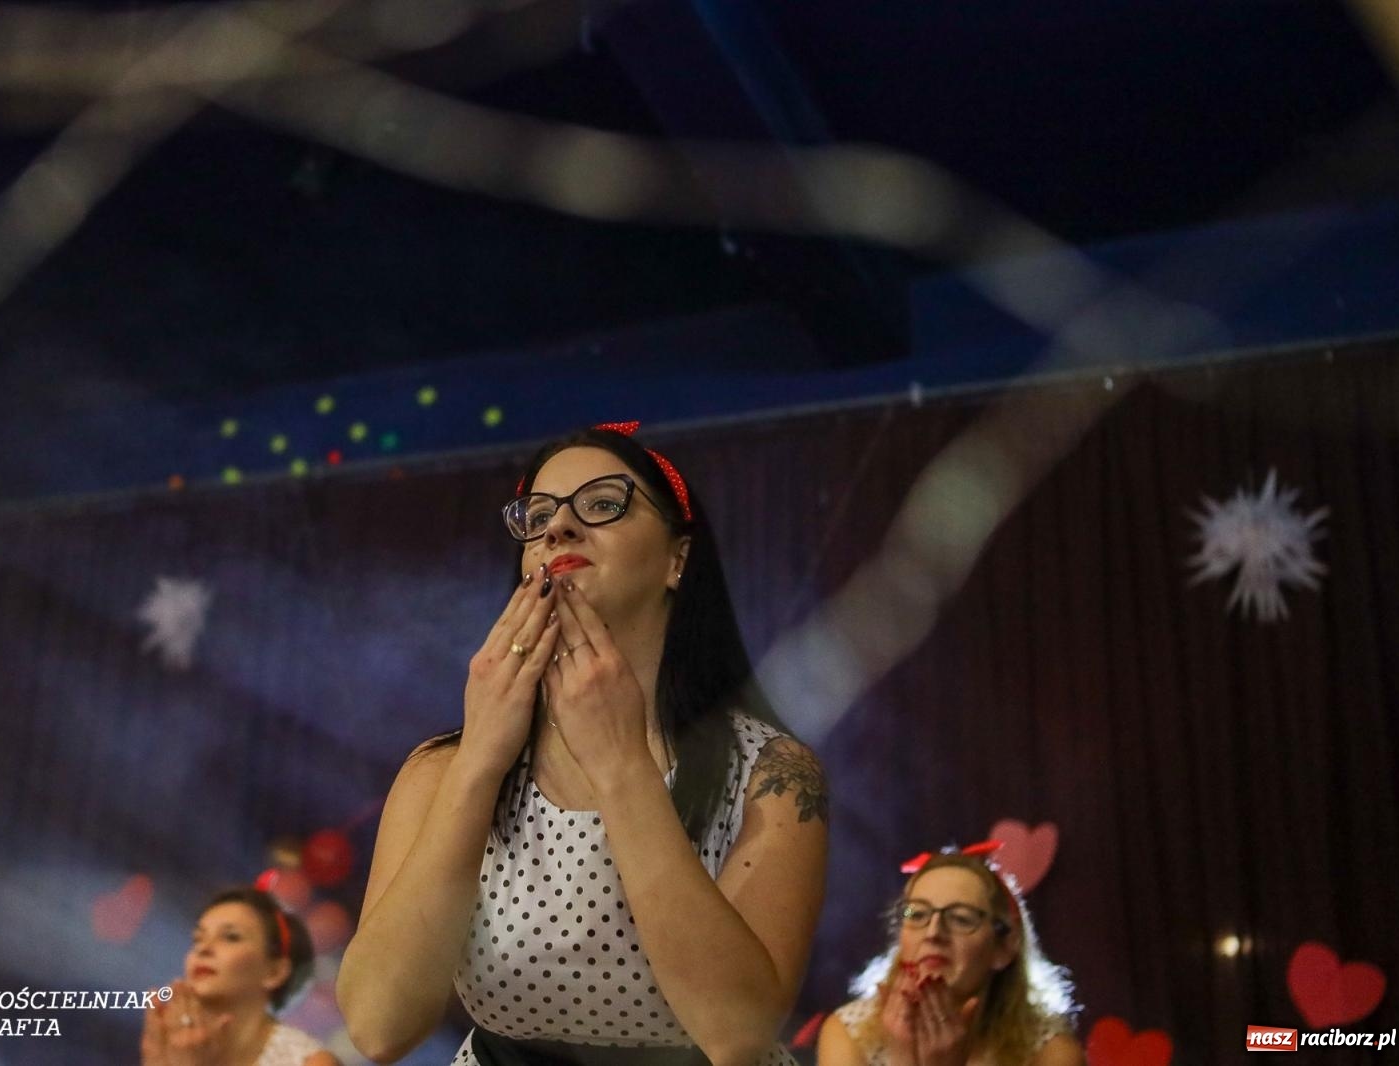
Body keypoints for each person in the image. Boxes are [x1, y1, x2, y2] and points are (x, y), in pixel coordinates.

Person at [338, 421, 829, 1066]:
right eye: (539, 516)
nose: (559, 529)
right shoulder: (441, 770)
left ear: (678, 558)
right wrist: (480, 759)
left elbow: (735, 1033)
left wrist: (620, 764)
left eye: (602, 504)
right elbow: (378, 1026)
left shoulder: (771, 775)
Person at [816, 847, 1083, 1066]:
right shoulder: (849, 1033)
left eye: (961, 919)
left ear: (1004, 948)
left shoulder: (1051, 1053)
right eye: (917, 914)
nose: (933, 933)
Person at [142, 886, 339, 1066]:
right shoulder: (168, 1043)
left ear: (274, 972)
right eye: (198, 939)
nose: (204, 948)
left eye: (231, 937)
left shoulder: (311, 1062)